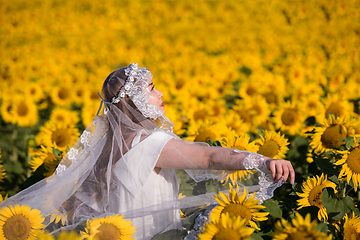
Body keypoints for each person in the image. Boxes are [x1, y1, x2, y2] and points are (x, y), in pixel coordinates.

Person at [0, 63, 295, 240]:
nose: (161, 94)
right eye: (152, 89)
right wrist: (264, 160)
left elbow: (82, 202)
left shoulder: (107, 147)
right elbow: (207, 156)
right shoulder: (150, 144)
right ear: (137, 101)